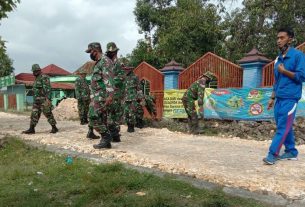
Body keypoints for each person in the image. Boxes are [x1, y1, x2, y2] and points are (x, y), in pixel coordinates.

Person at [263, 27, 305, 165]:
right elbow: (277, 81)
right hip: (279, 99)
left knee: (282, 127)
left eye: (282, 38)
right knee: (284, 125)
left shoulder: (298, 56)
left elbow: (301, 76)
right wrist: (272, 98)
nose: (278, 41)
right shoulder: (279, 59)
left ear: (290, 39)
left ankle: (272, 154)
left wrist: (284, 71)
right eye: (277, 38)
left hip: (290, 98)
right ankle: (291, 151)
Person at [85, 42, 115, 149]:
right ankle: (106, 142)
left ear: (95, 51)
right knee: (102, 118)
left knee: (92, 116)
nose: (90, 54)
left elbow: (109, 79)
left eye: (90, 52)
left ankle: (106, 137)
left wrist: (110, 95)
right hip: (97, 95)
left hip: (101, 95)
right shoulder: (99, 62)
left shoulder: (105, 61)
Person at [22, 64, 58, 134]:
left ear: (38, 70)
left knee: (48, 114)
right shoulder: (37, 78)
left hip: (44, 100)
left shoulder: (44, 77)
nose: (33, 73)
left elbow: (48, 89)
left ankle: (54, 128)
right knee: (34, 114)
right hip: (36, 101)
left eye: (35, 71)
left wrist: (48, 99)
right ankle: (31, 129)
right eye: (33, 71)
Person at [105, 42, 125, 142]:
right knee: (109, 113)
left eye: (113, 52)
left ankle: (115, 135)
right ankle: (112, 132)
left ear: (116, 52)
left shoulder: (118, 63)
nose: (111, 53)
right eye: (109, 52)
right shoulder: (107, 63)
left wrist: (110, 84)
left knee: (116, 114)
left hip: (116, 93)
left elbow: (121, 77)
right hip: (108, 93)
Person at [75, 68, 99, 139]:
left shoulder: (85, 80)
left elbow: (89, 88)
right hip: (81, 97)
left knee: (86, 109)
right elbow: (77, 89)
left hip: (87, 97)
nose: (84, 75)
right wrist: (78, 97)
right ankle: (82, 120)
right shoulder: (78, 80)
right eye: (83, 74)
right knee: (81, 109)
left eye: (85, 74)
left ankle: (85, 119)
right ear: (80, 74)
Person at [123, 66, 141, 133]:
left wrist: (140, 98)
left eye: (127, 69)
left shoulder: (135, 77)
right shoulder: (123, 77)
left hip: (133, 98)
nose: (126, 70)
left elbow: (139, 88)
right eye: (125, 69)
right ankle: (128, 125)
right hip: (125, 98)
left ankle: (131, 126)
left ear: (131, 69)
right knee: (126, 113)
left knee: (132, 113)